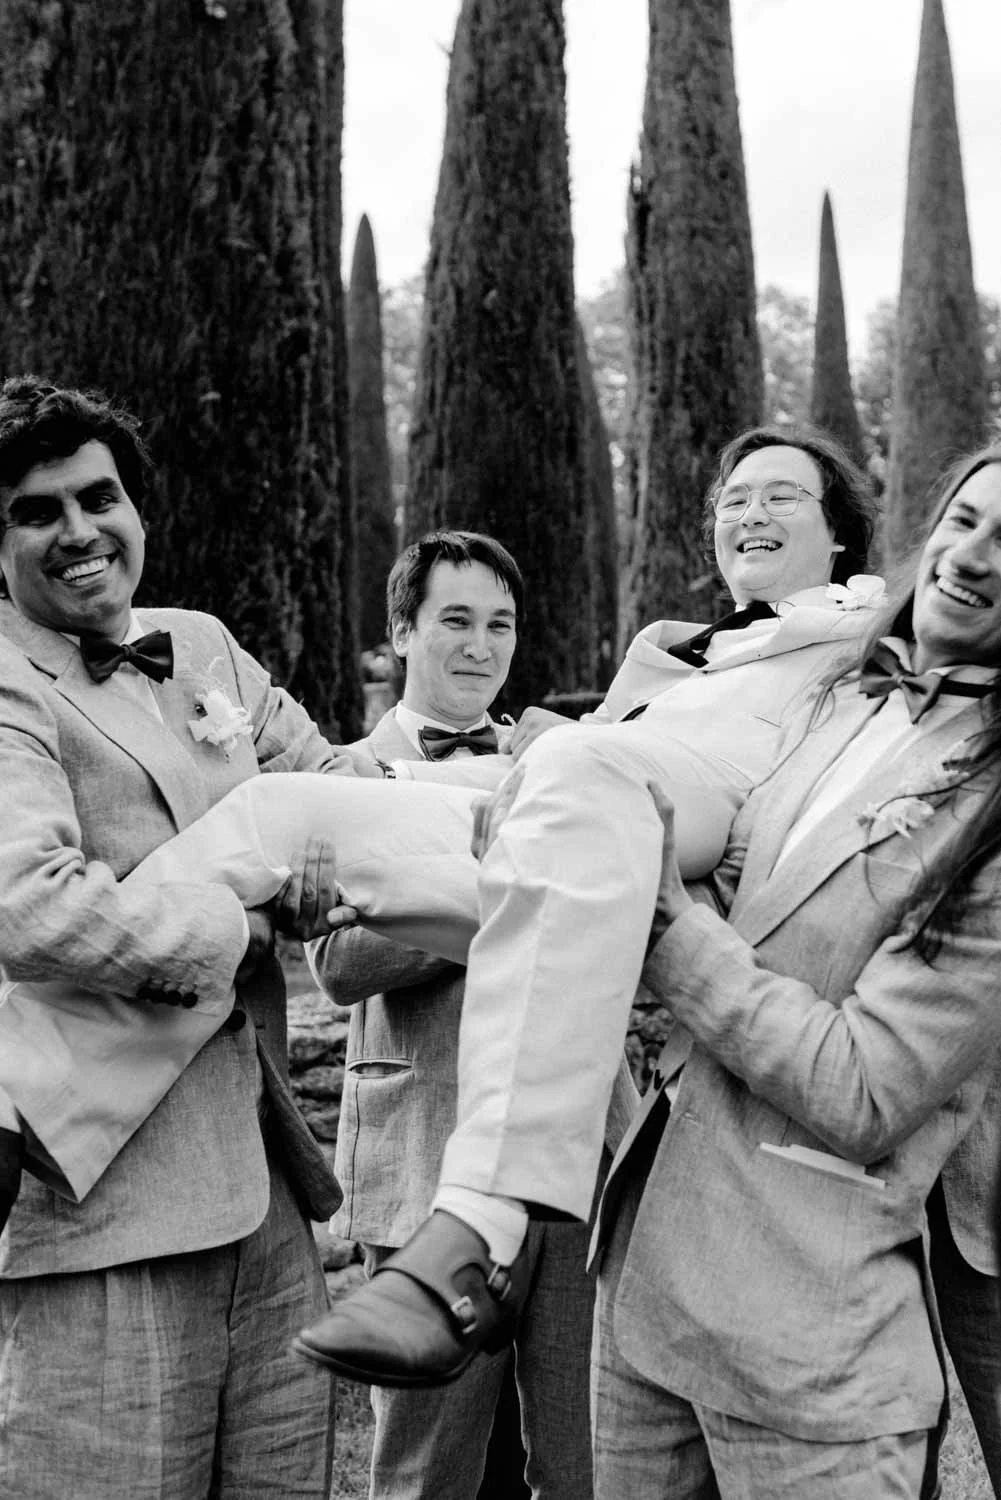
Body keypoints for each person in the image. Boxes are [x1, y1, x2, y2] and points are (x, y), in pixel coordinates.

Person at [305, 442, 1001, 1496]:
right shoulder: (823, 702)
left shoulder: (939, 756)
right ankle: (476, 1222)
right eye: (962, 519)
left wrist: (662, 924)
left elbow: (862, 1086)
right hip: (641, 1276)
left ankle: (477, 1220)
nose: (975, 556)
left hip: (813, 1316)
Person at [0, 375, 358, 1498]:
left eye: (98, 496)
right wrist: (247, 929)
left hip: (263, 1193)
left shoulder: (200, 645)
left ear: (138, 510)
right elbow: (29, 900)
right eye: (36, 509)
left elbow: (339, 785)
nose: (78, 531)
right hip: (98, 1204)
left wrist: (518, 788)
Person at [309, 530, 597, 1500]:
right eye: (455, 622)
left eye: (500, 625)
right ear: (401, 633)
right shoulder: (343, 770)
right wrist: (496, 896)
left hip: (567, 1163)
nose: (480, 645)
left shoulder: (554, 765)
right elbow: (339, 962)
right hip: (424, 1155)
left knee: (582, 1464)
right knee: (428, 1471)